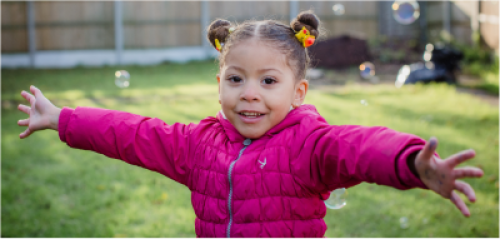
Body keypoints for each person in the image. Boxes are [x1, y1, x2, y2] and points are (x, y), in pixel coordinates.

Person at [17, 11, 483, 237]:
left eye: (269, 80)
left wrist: (411, 164)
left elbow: (360, 146)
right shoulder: (197, 144)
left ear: (297, 93)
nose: (250, 93)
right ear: (218, 82)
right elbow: (131, 133)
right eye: (236, 79)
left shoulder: (311, 144)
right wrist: (62, 118)